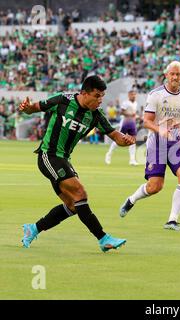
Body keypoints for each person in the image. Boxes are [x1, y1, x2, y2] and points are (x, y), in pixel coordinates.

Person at [18, 75, 136, 251]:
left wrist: (124, 140)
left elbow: (113, 134)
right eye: (96, 96)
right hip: (48, 156)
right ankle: (103, 239)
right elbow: (35, 108)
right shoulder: (63, 100)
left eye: (102, 96)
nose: (100, 100)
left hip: (64, 159)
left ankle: (33, 228)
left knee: (73, 206)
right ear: (84, 93)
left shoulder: (95, 115)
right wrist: (27, 108)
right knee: (80, 192)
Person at [119, 61, 180, 231]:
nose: (175, 77)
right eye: (172, 74)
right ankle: (132, 200)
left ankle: (172, 220)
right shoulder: (155, 95)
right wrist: (161, 130)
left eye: (178, 74)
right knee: (155, 186)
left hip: (177, 143)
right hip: (157, 144)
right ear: (166, 75)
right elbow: (146, 122)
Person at [105, 90, 139, 165]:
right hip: (125, 123)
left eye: (134, 94)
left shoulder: (135, 103)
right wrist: (129, 114)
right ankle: (109, 154)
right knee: (118, 139)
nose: (134, 96)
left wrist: (136, 116)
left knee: (133, 141)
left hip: (132, 123)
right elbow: (122, 112)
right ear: (129, 95)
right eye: (132, 94)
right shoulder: (126, 103)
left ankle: (132, 160)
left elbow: (133, 113)